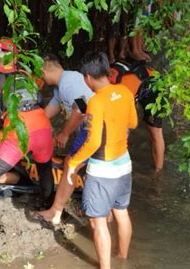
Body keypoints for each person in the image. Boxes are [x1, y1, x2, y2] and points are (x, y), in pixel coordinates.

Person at [0, 38, 54, 240]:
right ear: (15, 57)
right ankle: (48, 207)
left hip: (18, 133)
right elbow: (39, 100)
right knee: (45, 168)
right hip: (43, 128)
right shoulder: (26, 75)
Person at [66, 51, 138, 269]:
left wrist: (72, 164)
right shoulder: (124, 91)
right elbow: (133, 123)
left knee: (98, 222)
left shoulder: (96, 101)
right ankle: (122, 259)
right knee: (121, 213)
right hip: (124, 164)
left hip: (103, 170)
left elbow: (93, 143)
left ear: (88, 77)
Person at [36, 53, 94, 225]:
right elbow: (47, 114)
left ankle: (55, 212)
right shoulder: (61, 87)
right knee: (72, 164)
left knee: (71, 164)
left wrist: (64, 133)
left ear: (43, 71)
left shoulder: (69, 82)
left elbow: (81, 109)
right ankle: (58, 210)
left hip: (92, 128)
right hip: (90, 129)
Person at [109, 60, 165, 171]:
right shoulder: (106, 77)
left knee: (154, 131)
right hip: (137, 84)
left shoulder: (123, 88)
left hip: (155, 89)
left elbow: (126, 126)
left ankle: (158, 171)